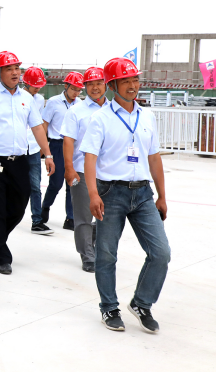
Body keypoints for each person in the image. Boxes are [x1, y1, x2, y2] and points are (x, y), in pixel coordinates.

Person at [81, 57, 170, 333]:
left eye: (135, 80)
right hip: (111, 193)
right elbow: (90, 158)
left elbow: (154, 157)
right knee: (107, 255)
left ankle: (142, 303)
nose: (133, 86)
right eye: (126, 81)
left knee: (161, 253)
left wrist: (161, 195)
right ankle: (109, 307)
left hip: (143, 193)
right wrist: (93, 194)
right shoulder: (100, 118)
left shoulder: (147, 116)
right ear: (112, 85)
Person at [0, 51, 55, 275]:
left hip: (20, 161)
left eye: (17, 68)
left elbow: (37, 128)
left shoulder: (27, 98)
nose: (15, 72)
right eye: (9, 69)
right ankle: (2, 255)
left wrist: (48, 155)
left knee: (19, 205)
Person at [61, 67, 106, 272]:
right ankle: (87, 255)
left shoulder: (113, 109)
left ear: (106, 85)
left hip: (107, 172)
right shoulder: (75, 111)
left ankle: (92, 241)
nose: (95, 88)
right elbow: (68, 141)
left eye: (99, 83)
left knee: (109, 215)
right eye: (90, 84)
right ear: (85, 86)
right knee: (83, 216)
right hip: (81, 170)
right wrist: (69, 168)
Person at [40, 71, 84, 231]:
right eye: (73, 89)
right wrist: (43, 149)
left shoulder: (80, 104)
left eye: (79, 90)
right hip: (57, 145)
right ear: (66, 86)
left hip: (74, 146)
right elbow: (44, 125)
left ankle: (70, 218)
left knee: (73, 182)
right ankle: (45, 207)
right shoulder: (53, 102)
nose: (76, 93)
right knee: (56, 182)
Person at [21, 66, 50, 234]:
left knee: (35, 186)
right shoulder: (17, 97)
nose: (37, 89)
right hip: (17, 149)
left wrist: (44, 148)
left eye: (40, 86)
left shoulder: (39, 100)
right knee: (14, 186)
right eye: (35, 86)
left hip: (33, 148)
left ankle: (37, 221)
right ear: (26, 83)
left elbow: (40, 125)